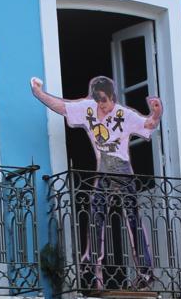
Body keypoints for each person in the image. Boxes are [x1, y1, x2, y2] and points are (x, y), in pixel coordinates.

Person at [30, 75, 163, 288]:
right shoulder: (88, 108)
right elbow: (62, 107)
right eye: (98, 100)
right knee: (96, 212)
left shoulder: (123, 114)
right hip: (104, 167)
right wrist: (39, 93)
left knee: (131, 218)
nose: (102, 105)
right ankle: (91, 265)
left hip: (121, 168)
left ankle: (144, 272)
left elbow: (148, 124)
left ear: (112, 97)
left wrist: (156, 112)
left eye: (105, 100)